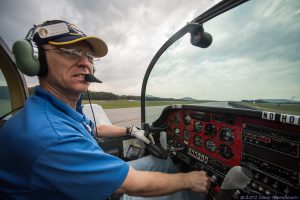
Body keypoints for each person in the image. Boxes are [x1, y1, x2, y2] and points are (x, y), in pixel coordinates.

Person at [0, 20, 210, 200]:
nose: (85, 64)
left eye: (89, 57)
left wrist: (131, 130)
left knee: (161, 161)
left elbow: (95, 129)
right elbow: (133, 184)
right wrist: (190, 179)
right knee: (185, 186)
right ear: (36, 59)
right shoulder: (50, 134)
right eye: (70, 52)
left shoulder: (57, 108)